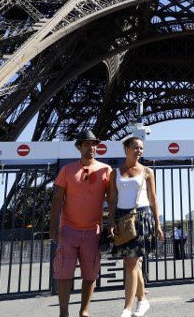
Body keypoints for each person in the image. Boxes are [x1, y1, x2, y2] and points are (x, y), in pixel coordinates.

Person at [49, 130, 112, 317]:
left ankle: (84, 311)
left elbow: (113, 199)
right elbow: (57, 199)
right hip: (68, 229)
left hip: (93, 230)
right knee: (63, 272)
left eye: (94, 144)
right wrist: (53, 227)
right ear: (79, 147)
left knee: (90, 273)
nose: (91, 147)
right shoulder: (67, 170)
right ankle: (63, 312)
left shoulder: (105, 170)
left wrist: (114, 223)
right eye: (87, 144)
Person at [108, 136, 164, 317]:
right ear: (126, 149)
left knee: (131, 262)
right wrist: (112, 221)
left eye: (141, 148)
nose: (139, 151)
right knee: (130, 261)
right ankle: (143, 300)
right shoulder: (114, 173)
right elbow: (112, 199)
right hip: (122, 218)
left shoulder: (147, 171)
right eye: (135, 148)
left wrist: (158, 223)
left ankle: (127, 308)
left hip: (141, 217)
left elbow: (153, 198)